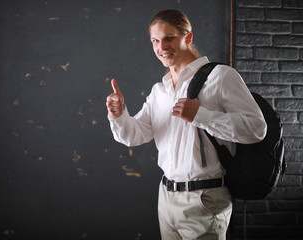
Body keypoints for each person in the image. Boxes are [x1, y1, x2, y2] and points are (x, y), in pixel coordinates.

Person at [106, 9, 267, 240]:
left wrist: (201, 116)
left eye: (169, 37)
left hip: (205, 199)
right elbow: (135, 135)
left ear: (188, 38)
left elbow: (256, 128)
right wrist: (119, 115)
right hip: (166, 198)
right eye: (155, 40)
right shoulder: (159, 90)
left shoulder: (220, 76)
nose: (162, 47)